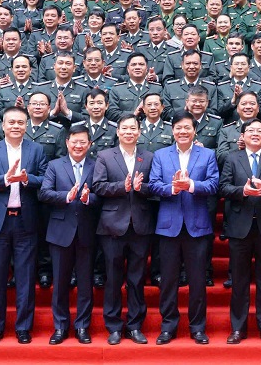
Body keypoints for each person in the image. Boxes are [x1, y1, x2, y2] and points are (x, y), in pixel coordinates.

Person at [0, 106, 47, 345]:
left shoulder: (36, 150)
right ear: (3, 125)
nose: (16, 126)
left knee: (25, 278)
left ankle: (23, 327)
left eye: (20, 122)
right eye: (11, 122)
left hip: (26, 221)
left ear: (26, 125)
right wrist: (4, 179)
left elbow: (46, 181)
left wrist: (28, 179)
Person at [148, 111, 220, 345]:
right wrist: (172, 188)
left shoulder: (207, 154)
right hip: (169, 226)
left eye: (187, 127)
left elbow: (213, 185)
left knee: (197, 281)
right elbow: (153, 185)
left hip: (196, 226)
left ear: (194, 130)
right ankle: (168, 326)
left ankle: (197, 327)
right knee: (168, 280)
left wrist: (191, 185)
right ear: (172, 131)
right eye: (178, 127)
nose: (182, 131)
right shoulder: (161, 155)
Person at [218, 119, 261, 345]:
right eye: (251, 131)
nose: (255, 134)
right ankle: (238, 327)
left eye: (260, 131)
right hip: (240, 227)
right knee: (239, 280)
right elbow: (223, 187)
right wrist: (243, 191)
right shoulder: (232, 158)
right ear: (243, 136)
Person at [90, 114, 155, 346]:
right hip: (112, 227)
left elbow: (155, 187)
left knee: (137, 279)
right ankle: (114, 326)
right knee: (113, 278)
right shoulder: (105, 156)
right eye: (124, 128)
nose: (129, 132)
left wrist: (141, 187)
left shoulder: (149, 156)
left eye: (133, 128)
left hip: (140, 226)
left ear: (139, 132)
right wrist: (122, 187)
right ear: (117, 132)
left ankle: (135, 326)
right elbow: (98, 186)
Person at [38, 123, 98, 345]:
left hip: (87, 232)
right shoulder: (55, 165)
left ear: (89, 144)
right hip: (60, 232)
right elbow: (44, 193)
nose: (78, 146)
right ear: (67, 142)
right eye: (74, 142)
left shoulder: (96, 165)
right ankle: (60, 326)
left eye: (83, 142)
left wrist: (88, 199)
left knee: (85, 283)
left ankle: (82, 326)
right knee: (61, 283)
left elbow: (102, 194)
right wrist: (66, 196)